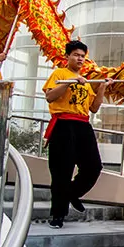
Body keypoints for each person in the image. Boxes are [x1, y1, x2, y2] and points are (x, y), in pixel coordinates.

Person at [42, 41, 107, 229]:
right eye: (76, 55)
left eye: (82, 56)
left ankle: (71, 193)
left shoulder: (85, 82)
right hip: (63, 124)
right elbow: (49, 96)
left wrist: (101, 87)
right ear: (67, 57)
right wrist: (70, 82)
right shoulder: (59, 74)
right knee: (62, 170)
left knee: (94, 166)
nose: (80, 59)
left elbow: (94, 108)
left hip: (83, 126)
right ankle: (57, 214)